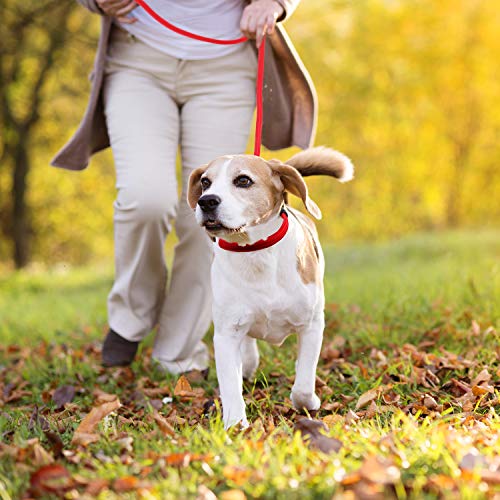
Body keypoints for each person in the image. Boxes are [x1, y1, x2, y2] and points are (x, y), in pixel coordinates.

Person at [51, 0, 317, 373]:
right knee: (146, 199)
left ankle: (177, 350)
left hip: (226, 63)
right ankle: (131, 315)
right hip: (137, 57)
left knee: (218, 216)